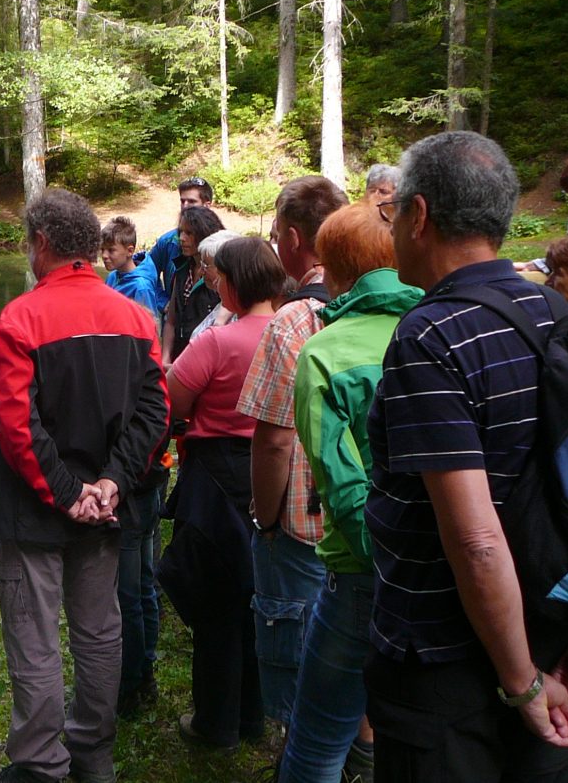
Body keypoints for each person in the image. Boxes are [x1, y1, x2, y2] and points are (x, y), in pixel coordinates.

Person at [366, 131, 568, 781]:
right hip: (549, 632)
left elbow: (476, 538)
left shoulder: (431, 336)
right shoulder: (556, 312)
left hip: (445, 668)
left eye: (393, 211)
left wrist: (522, 684)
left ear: (419, 216)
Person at [0, 188, 169, 783]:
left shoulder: (22, 317)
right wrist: (111, 484)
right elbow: (156, 410)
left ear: (43, 244)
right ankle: (94, 756)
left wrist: (67, 491)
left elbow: (14, 423)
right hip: (105, 505)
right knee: (100, 630)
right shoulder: (134, 315)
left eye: (28, 242)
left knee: (34, 636)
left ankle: (41, 764)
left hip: (36, 509)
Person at [278, 205, 421, 783]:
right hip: (450, 565)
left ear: (332, 268)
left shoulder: (324, 351)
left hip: (364, 571)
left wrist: (377, 562)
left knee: (316, 740)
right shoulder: (439, 327)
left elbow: (341, 485)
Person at [162, 236, 286, 752]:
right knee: (258, 598)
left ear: (231, 284)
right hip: (274, 478)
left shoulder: (216, 342)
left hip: (213, 480)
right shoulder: (296, 333)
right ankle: (255, 716)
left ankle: (216, 723)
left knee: (215, 607)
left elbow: (172, 403)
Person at [238, 175, 348, 733]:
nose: (275, 244)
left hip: (303, 527)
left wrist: (266, 515)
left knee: (300, 663)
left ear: (298, 239)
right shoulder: (391, 307)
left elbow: (274, 438)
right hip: (367, 525)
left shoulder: (294, 321)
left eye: (278, 233)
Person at [161, 205, 226, 367]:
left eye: (189, 233)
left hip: (205, 363)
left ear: (205, 233)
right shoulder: (182, 269)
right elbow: (171, 321)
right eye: (180, 232)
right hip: (177, 361)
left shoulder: (220, 275)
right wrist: (165, 359)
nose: (181, 238)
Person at [145, 176, 216, 306]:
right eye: (182, 201)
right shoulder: (168, 242)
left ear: (207, 205)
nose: (185, 206)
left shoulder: (221, 246)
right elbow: (146, 272)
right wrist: (162, 301)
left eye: (191, 201)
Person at [100, 215, 160, 319]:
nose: (104, 255)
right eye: (102, 249)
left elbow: (149, 326)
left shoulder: (141, 287)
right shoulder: (112, 277)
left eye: (111, 250)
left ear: (130, 251)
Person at [190, 229, 242, 341]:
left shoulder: (238, 314)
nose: (200, 272)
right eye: (201, 264)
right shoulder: (221, 302)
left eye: (206, 265)